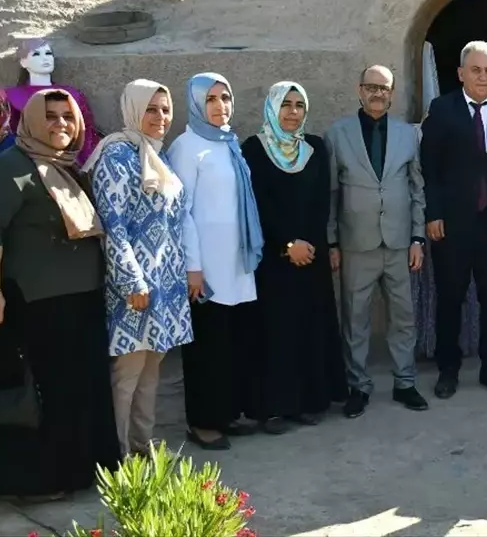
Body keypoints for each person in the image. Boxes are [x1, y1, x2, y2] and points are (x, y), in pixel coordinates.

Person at [0, 90, 119, 500]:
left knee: (80, 391)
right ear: (33, 121)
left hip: (80, 303)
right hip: (38, 307)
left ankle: (81, 471)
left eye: (67, 117)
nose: (60, 125)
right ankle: (36, 481)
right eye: (51, 117)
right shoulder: (10, 169)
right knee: (45, 398)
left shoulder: (67, 168)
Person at [84, 80, 192, 457]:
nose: (160, 117)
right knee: (127, 373)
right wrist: (133, 279)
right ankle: (118, 452)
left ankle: (142, 443)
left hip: (165, 283)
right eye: (151, 109)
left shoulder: (155, 156)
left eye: (165, 109)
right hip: (135, 286)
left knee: (151, 369)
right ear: (132, 110)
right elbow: (113, 225)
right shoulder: (115, 156)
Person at [421, 41, 487, 399]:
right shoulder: (442, 109)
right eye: (476, 70)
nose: (484, 77)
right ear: (461, 73)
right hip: (452, 223)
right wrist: (433, 213)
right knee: (451, 296)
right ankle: (448, 368)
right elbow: (430, 168)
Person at [241, 82, 346, 432]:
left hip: (311, 255)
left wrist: (311, 244)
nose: (293, 112)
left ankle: (307, 401)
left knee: (308, 328)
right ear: (272, 107)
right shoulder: (254, 149)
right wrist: (287, 244)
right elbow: (258, 204)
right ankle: (273, 407)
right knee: (275, 331)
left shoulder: (314, 147)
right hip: (273, 259)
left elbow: (321, 201)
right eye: (286, 104)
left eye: (299, 105)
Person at [168, 73, 264, 450]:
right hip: (205, 267)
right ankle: (202, 421)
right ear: (195, 103)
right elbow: (183, 212)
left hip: (236, 262)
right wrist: (193, 266)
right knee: (206, 346)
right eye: (210, 99)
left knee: (231, 343)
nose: (220, 106)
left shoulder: (229, 142)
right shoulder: (186, 147)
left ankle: (226, 412)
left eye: (225, 97)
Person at [325, 65, 428, 416]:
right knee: (355, 318)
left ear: (392, 93)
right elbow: (331, 193)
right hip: (356, 243)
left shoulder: (406, 134)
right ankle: (359, 386)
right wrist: (331, 242)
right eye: (371, 87)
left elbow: (417, 189)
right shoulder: (338, 134)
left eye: (384, 88)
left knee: (404, 316)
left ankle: (405, 382)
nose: (377, 94)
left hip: (399, 242)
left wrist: (417, 237)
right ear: (359, 90)